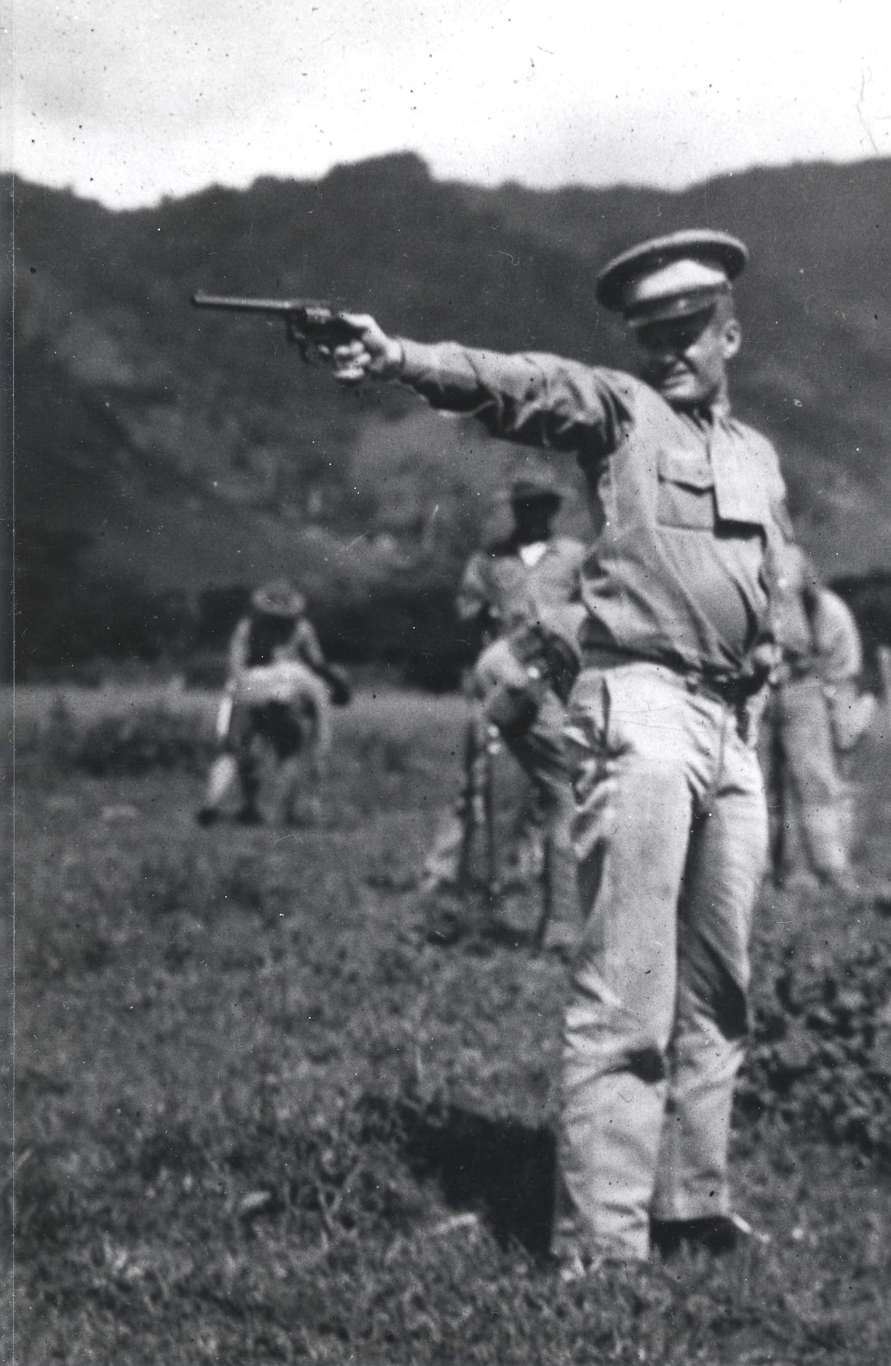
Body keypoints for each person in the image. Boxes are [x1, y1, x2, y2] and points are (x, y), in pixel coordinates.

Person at [309, 228, 788, 1268]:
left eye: (687, 330)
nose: (668, 347)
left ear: (729, 332)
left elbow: (770, 581)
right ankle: (605, 1248)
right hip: (645, 704)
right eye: (649, 332)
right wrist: (398, 357)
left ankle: (691, 1204)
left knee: (720, 984)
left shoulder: (757, 456)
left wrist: (771, 668)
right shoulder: (620, 411)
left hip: (733, 723)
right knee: (626, 985)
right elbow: (520, 384)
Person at [419, 473, 586, 946]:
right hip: (503, 668)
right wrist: (487, 618)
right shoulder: (491, 558)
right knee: (482, 779)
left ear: (552, 510)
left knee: (552, 786)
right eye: (525, 507)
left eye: (541, 507)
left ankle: (526, 877)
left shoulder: (573, 556)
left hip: (554, 675)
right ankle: (455, 877)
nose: (533, 515)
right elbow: (466, 607)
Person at [197, 580, 348, 827]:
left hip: (247, 690)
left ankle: (220, 804)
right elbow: (316, 663)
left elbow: (235, 667)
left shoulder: (248, 627)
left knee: (235, 751)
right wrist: (335, 684)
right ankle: (282, 813)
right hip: (286, 694)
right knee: (289, 751)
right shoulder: (301, 628)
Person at [767, 542, 869, 892]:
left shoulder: (829, 612)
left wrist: (841, 715)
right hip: (762, 687)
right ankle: (775, 868)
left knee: (815, 782)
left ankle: (829, 867)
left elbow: (843, 670)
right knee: (764, 784)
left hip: (805, 689)